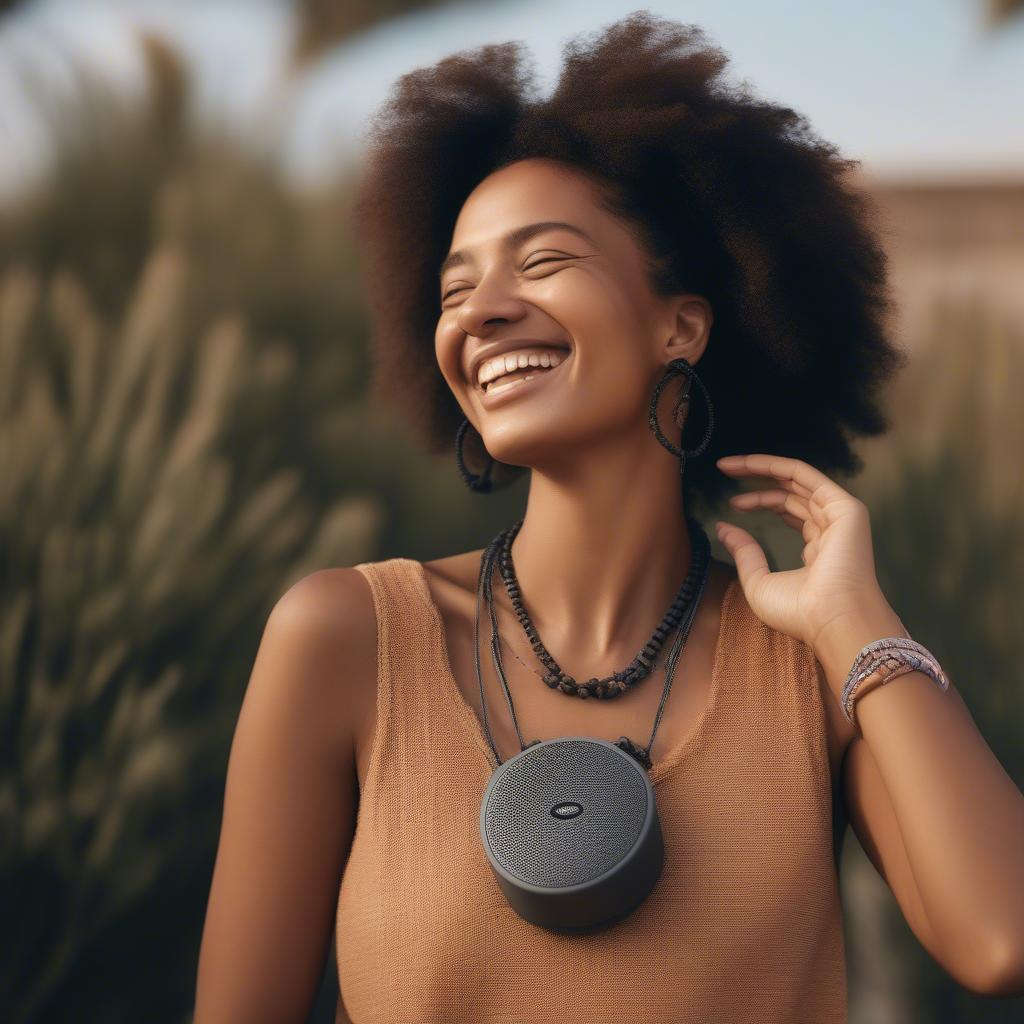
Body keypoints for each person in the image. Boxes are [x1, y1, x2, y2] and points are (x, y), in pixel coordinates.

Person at [194, 12, 1024, 1023]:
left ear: (680, 324)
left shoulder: (810, 665)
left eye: (539, 263)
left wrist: (860, 625)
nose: (481, 311)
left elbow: (1000, 939)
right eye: (456, 288)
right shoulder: (346, 641)